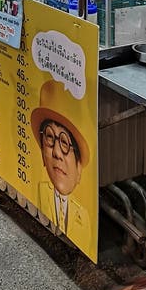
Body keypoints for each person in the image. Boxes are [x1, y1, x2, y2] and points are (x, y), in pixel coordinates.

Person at [31, 80, 91, 250]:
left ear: (79, 166)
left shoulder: (84, 216)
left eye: (65, 142)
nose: (57, 152)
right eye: (50, 137)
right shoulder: (37, 191)